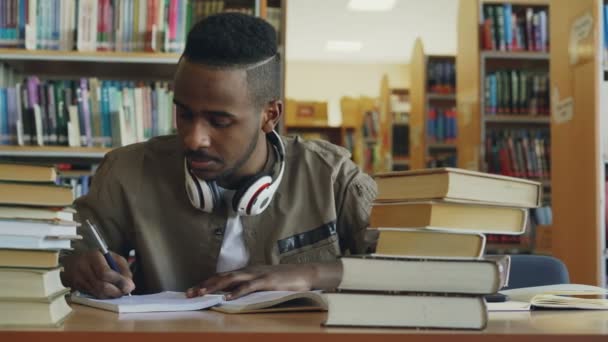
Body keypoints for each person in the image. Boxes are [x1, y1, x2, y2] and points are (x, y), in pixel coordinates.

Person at [60, 12, 377, 300]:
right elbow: (59, 253)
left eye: (219, 121)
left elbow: (414, 268)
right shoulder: (128, 172)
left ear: (270, 115)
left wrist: (311, 274)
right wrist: (78, 266)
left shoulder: (333, 177)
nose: (194, 138)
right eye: (184, 114)